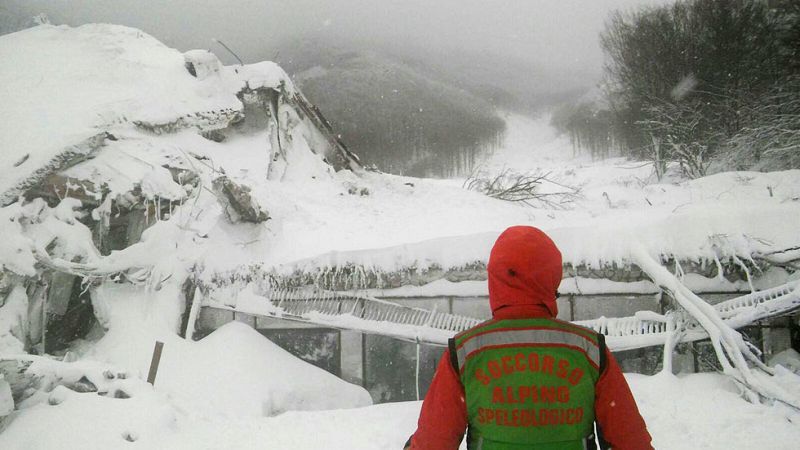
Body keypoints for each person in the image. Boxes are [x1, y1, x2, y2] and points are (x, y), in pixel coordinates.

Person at [405, 226, 653, 450]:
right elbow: (630, 440)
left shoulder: (465, 351)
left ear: (495, 278)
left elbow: (432, 443)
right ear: (551, 277)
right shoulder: (588, 349)